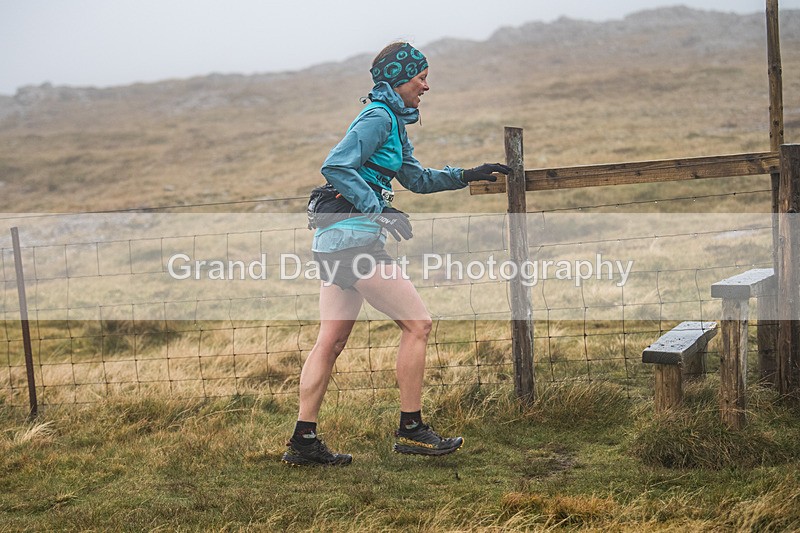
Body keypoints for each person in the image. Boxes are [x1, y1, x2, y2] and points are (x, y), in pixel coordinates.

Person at [282, 41, 511, 466]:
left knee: (329, 342)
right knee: (418, 324)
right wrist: (378, 209)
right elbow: (335, 166)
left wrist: (467, 175)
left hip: (333, 243)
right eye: (421, 77)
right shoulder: (377, 116)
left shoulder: (392, 122)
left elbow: (416, 178)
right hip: (354, 239)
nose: (427, 85)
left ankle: (303, 442)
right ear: (400, 79)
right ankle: (412, 430)